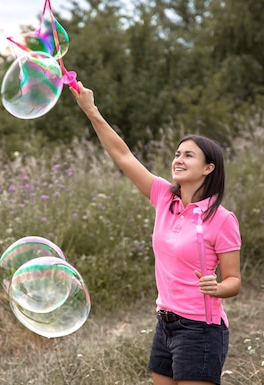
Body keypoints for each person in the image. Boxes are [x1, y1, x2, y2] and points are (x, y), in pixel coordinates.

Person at [70, 82, 241, 385]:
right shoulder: (164, 197)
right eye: (177, 153)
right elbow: (123, 156)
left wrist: (217, 287)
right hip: (165, 323)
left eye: (189, 155)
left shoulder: (222, 219)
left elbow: (234, 282)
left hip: (200, 329)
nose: (178, 159)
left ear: (208, 168)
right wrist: (91, 111)